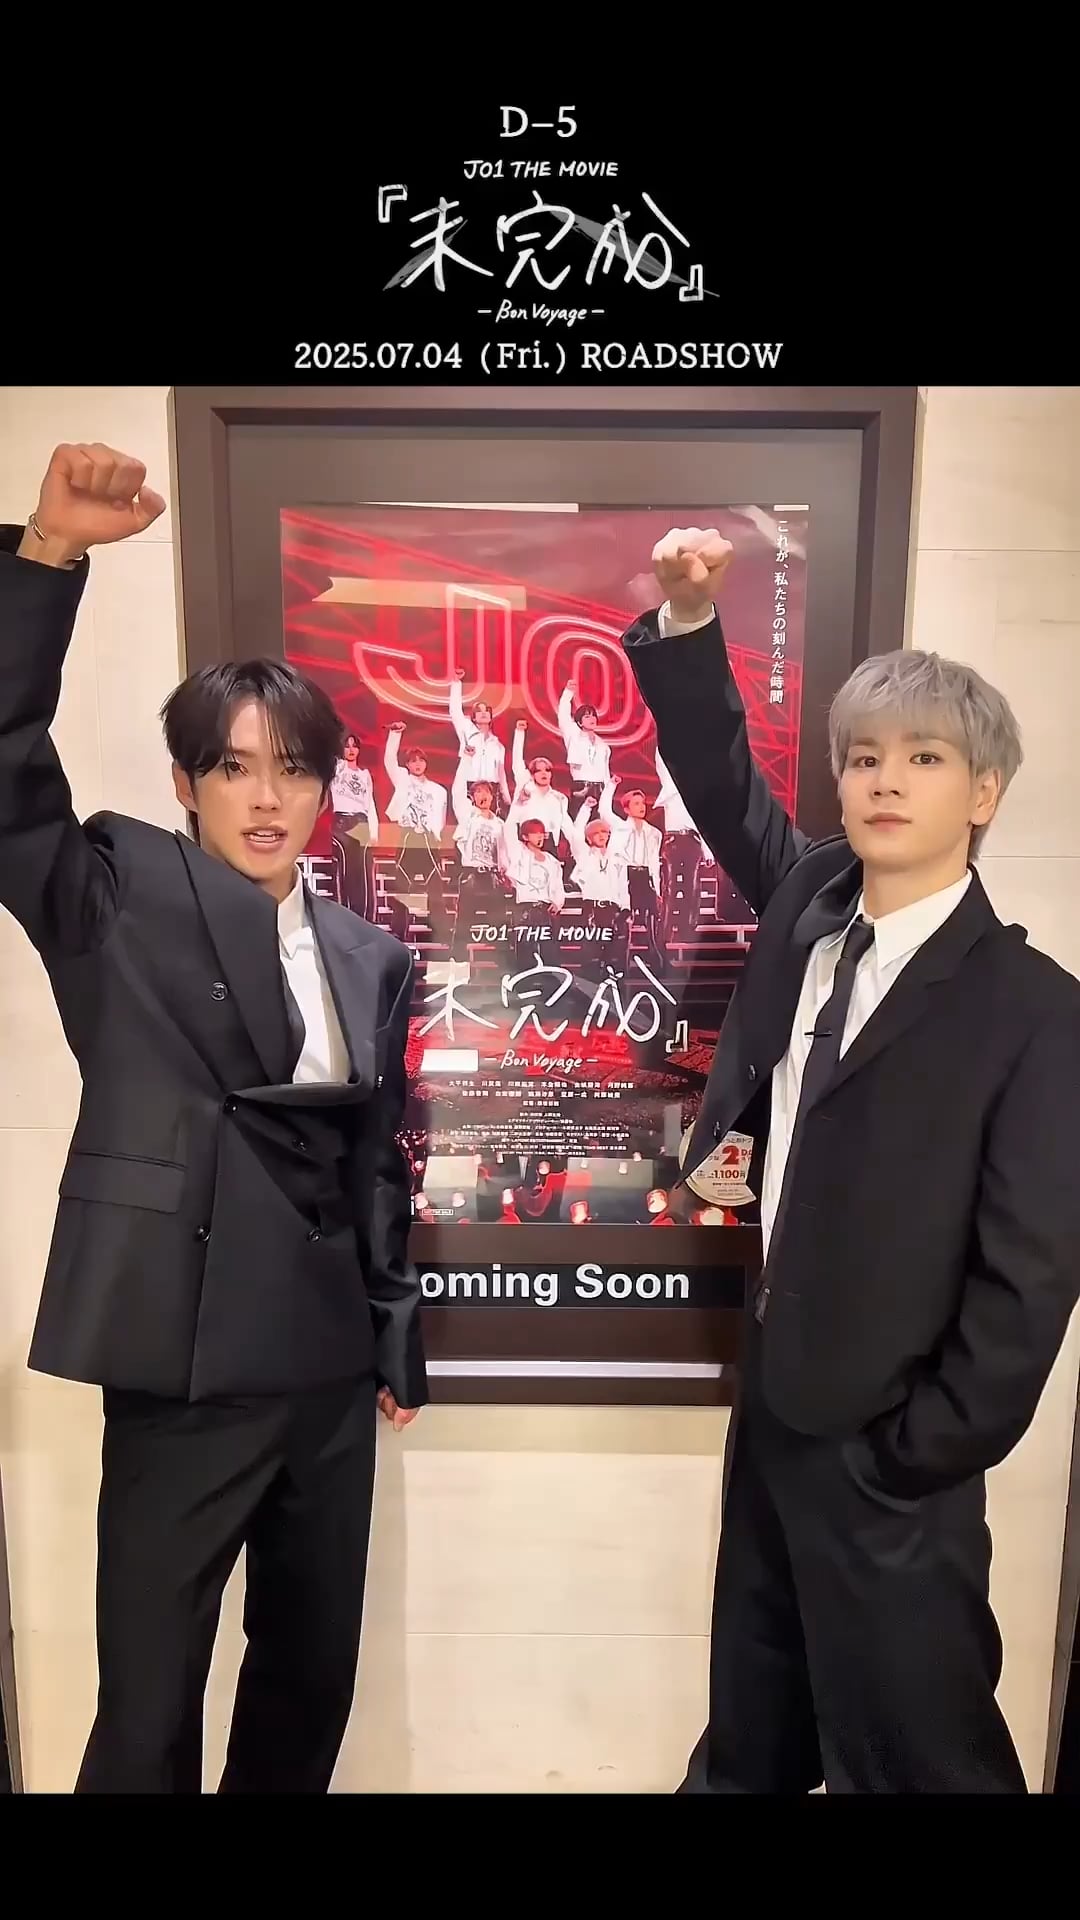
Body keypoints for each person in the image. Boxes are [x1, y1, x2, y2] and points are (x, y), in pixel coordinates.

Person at [621, 524, 1080, 1795]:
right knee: (750, 1745)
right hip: (772, 1415)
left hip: (895, 1461)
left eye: (925, 758)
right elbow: (722, 784)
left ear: (982, 793)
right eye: (865, 757)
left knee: (922, 1759)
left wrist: (921, 1451)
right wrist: (690, 626)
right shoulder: (808, 913)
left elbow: (1031, 1275)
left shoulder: (1037, 1010)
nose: (888, 780)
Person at [0, 441, 428, 1795]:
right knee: (147, 1706)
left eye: (292, 770)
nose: (266, 797)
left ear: (324, 788)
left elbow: (375, 1159)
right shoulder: (113, 895)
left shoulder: (369, 954)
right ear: (187, 783)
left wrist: (392, 1333)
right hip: (179, 1366)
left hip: (324, 1376)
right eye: (234, 769)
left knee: (308, 1686)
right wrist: (47, 558)